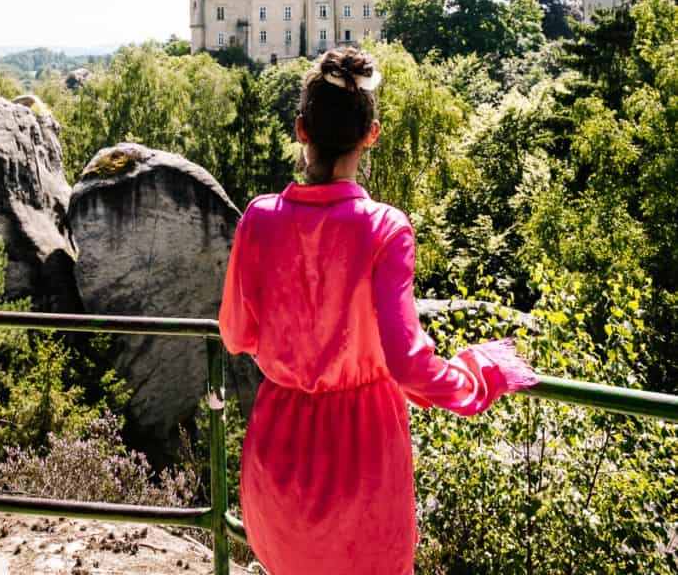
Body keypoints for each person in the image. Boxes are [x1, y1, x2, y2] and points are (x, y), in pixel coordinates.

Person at [218, 47, 538, 575]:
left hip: (276, 463)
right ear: (372, 133)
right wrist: (480, 376)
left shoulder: (259, 219)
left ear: (302, 130)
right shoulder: (385, 229)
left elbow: (234, 335)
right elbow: (410, 366)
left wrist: (302, 351)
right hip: (361, 466)